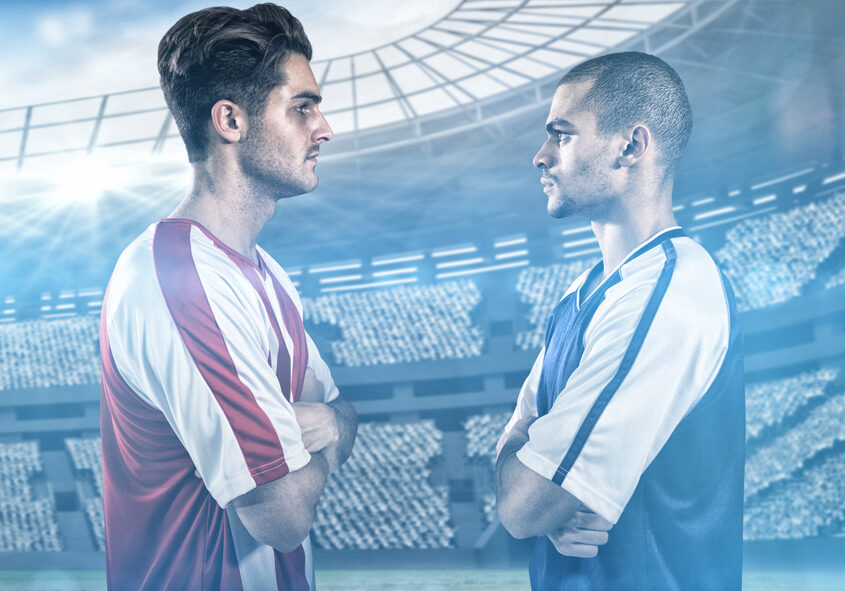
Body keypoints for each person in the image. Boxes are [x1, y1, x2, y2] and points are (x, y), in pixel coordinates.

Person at [98, 4, 357, 589]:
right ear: (231, 122)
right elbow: (284, 515)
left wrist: (327, 425)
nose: (325, 128)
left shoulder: (265, 272)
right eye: (302, 107)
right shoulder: (178, 279)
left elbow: (343, 414)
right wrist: (317, 431)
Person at [495, 52, 745, 589]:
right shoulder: (578, 297)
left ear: (630, 146)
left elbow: (521, 506)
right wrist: (552, 499)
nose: (540, 157)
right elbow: (518, 462)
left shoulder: (672, 290)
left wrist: (546, 495)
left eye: (561, 135)